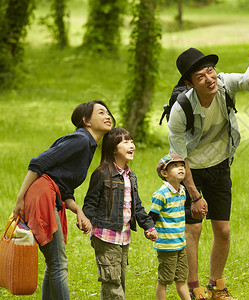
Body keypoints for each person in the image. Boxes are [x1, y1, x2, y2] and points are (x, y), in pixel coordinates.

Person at [168, 38, 249, 300]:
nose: (209, 78)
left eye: (210, 71)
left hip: (220, 166)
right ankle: (194, 288)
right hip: (191, 172)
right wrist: (194, 195)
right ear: (189, 84)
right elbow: (179, 158)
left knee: (222, 230)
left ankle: (217, 286)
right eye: (200, 76)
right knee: (194, 229)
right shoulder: (181, 109)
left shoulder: (224, 85)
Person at [12, 100, 115, 299]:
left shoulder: (87, 144)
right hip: (42, 195)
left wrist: (79, 211)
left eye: (108, 112)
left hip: (51, 195)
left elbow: (65, 189)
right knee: (58, 263)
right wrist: (20, 198)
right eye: (101, 112)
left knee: (54, 263)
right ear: (86, 120)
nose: (107, 116)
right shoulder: (80, 140)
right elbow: (39, 163)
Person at [82, 127, 158, 299]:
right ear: (113, 148)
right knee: (112, 281)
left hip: (123, 237)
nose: (131, 145)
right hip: (105, 236)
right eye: (125, 142)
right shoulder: (102, 173)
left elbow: (136, 206)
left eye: (131, 141)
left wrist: (149, 226)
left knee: (118, 280)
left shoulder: (131, 176)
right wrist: (86, 220)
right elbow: (91, 202)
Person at [149, 154, 190, 300]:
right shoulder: (161, 194)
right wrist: (150, 230)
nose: (180, 168)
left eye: (182, 165)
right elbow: (151, 217)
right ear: (164, 173)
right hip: (167, 245)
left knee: (181, 279)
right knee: (164, 280)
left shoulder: (182, 191)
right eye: (175, 166)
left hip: (180, 243)